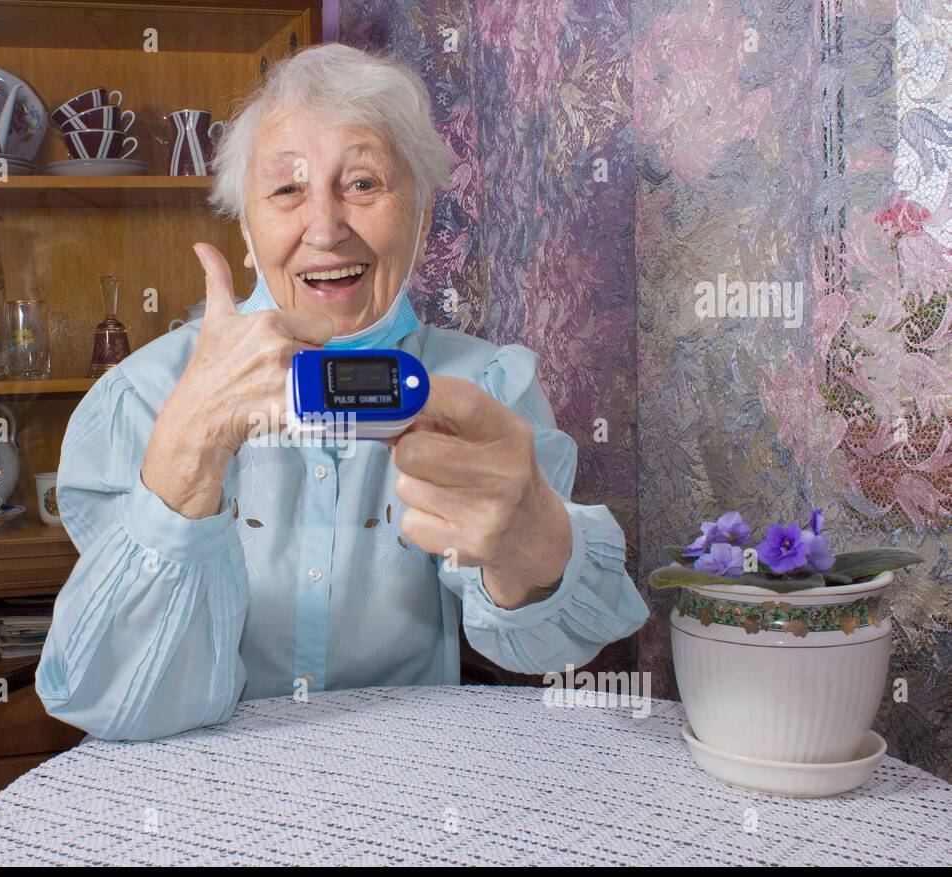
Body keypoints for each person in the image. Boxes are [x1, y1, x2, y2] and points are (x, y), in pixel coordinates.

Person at [37, 43, 650, 740]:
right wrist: (190, 447)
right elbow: (111, 699)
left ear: (420, 219)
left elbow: (550, 649)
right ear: (245, 230)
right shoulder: (143, 397)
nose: (325, 229)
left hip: (407, 788)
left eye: (363, 184)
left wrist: (530, 538)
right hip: (188, 782)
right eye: (287, 190)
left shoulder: (483, 390)